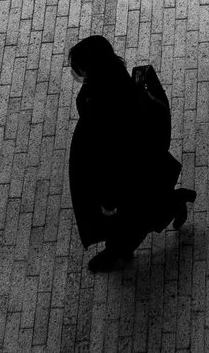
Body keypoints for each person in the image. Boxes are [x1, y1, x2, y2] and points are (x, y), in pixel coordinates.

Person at [67, 33, 196, 272]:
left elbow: (113, 157)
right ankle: (174, 202)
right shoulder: (113, 79)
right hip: (138, 167)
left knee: (133, 221)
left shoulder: (107, 103)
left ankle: (116, 252)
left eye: (79, 68)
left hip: (128, 175)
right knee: (141, 213)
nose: (75, 72)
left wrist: (108, 199)